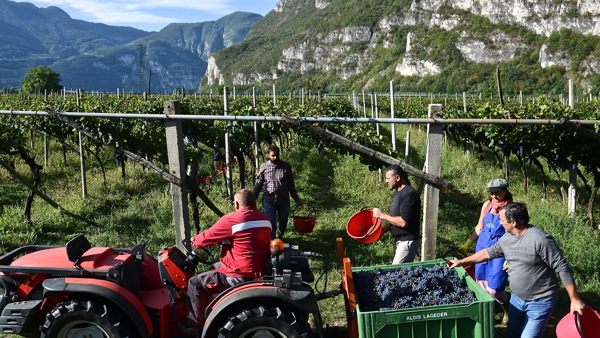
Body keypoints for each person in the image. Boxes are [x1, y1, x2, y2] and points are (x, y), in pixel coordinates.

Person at [448, 202, 585, 338]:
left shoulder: (540, 239)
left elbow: (562, 266)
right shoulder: (507, 238)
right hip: (517, 299)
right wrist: (461, 262)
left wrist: (574, 299)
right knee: (512, 334)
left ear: (513, 222)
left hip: (540, 301)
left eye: (502, 220)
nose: (500, 223)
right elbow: (488, 253)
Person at [183, 189, 272, 334]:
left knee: (195, 283)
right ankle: (213, 309)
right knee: (214, 267)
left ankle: (195, 327)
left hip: (239, 274)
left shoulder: (232, 219)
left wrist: (194, 240)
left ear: (236, 204)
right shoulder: (265, 219)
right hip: (258, 268)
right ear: (254, 203)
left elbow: (206, 237)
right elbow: (248, 239)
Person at [458, 178, 513, 323]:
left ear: (505, 191)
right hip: (482, 246)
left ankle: (508, 310)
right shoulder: (487, 205)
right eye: (492, 193)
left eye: (497, 193)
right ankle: (487, 314)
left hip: (500, 250)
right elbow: (479, 227)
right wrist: (468, 244)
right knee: (481, 283)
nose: (494, 196)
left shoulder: (510, 209)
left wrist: (511, 256)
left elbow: (514, 233)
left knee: (495, 288)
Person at [372, 164, 421, 264]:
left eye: (388, 178)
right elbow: (395, 219)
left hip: (406, 241)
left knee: (397, 275)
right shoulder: (397, 192)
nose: (386, 181)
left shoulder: (408, 194)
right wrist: (383, 230)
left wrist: (382, 215)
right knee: (398, 273)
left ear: (397, 177)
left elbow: (403, 222)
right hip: (399, 241)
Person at [253, 145, 303, 239]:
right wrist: (252, 199)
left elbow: (291, 185)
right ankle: (272, 243)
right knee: (271, 222)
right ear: (268, 155)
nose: (275, 157)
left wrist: (296, 198)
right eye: (273, 155)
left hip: (283, 199)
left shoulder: (286, 166)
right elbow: (258, 184)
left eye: (276, 155)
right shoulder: (264, 167)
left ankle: (280, 236)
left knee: (283, 222)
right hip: (269, 200)